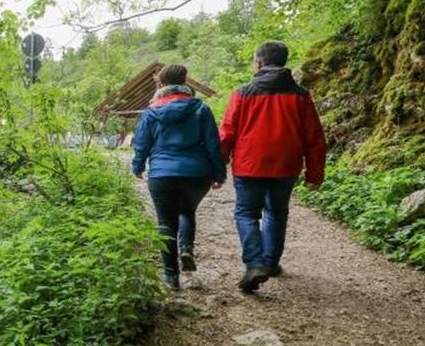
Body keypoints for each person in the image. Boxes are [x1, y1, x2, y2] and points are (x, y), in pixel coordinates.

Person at [219, 40, 327, 293]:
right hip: (286, 166)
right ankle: (270, 263)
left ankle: (255, 263)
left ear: (259, 62)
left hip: (249, 165)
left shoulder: (242, 93)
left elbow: (226, 134)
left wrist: (218, 166)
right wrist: (315, 173)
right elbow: (314, 138)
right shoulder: (300, 95)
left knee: (246, 213)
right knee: (277, 213)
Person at [132, 64, 226, 289]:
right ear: (185, 82)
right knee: (187, 210)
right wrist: (219, 173)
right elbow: (213, 144)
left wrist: (137, 167)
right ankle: (186, 249)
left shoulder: (151, 112)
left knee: (166, 222)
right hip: (197, 173)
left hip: (162, 174)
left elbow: (141, 144)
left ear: (161, 84)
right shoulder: (200, 108)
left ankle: (170, 276)